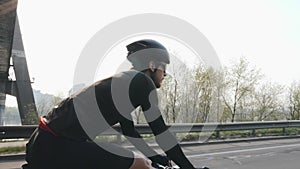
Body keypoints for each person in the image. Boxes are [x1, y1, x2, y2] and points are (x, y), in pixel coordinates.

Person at [22, 39, 198, 169]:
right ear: (152, 65)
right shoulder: (143, 82)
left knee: (137, 161)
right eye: (164, 69)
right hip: (59, 145)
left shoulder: (123, 84)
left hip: (41, 142)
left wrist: (158, 158)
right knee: (140, 164)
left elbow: (130, 132)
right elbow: (162, 134)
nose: (165, 75)